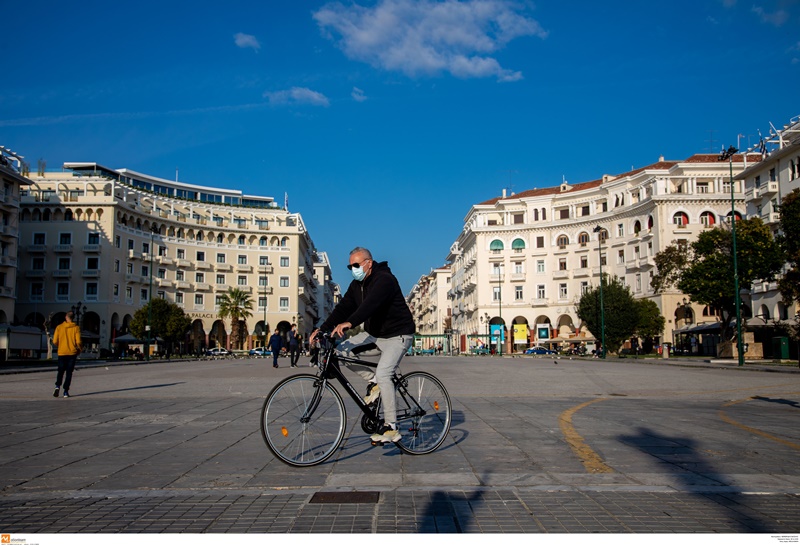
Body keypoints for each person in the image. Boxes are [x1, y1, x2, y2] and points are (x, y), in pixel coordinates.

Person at [310, 247, 415, 445]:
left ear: (369, 263)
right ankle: (374, 382)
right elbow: (343, 308)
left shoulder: (384, 279)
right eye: (350, 266)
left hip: (398, 335)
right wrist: (322, 329)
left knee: (385, 373)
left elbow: (371, 304)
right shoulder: (356, 285)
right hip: (376, 335)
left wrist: (351, 322)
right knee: (342, 350)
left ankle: (391, 427)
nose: (353, 269)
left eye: (356, 265)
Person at [52, 311, 83, 398]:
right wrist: (80, 349)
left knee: (60, 371)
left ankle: (57, 386)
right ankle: (65, 391)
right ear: (73, 318)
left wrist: (61, 345)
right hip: (72, 353)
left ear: (66, 317)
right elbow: (79, 341)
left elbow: (54, 341)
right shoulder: (76, 328)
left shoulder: (59, 327)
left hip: (62, 352)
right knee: (69, 373)